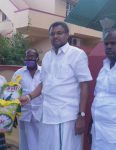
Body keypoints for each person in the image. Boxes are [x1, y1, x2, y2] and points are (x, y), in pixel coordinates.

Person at [20, 21, 92, 150]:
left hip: (66, 116)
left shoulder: (77, 54)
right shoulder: (47, 56)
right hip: (47, 115)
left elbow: (84, 86)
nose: (55, 36)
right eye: (52, 34)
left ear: (67, 35)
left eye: (59, 33)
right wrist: (29, 97)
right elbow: (43, 83)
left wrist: (81, 115)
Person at [91, 29, 116, 150]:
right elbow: (98, 96)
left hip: (114, 133)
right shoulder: (104, 67)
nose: (109, 47)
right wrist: (91, 123)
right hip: (97, 130)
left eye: (113, 43)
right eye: (106, 44)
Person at [12, 48, 42, 150]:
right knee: (25, 143)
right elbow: (13, 92)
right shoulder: (18, 73)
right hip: (24, 114)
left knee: (40, 142)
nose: (29, 59)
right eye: (27, 56)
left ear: (37, 58)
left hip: (40, 114)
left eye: (32, 56)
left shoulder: (43, 72)